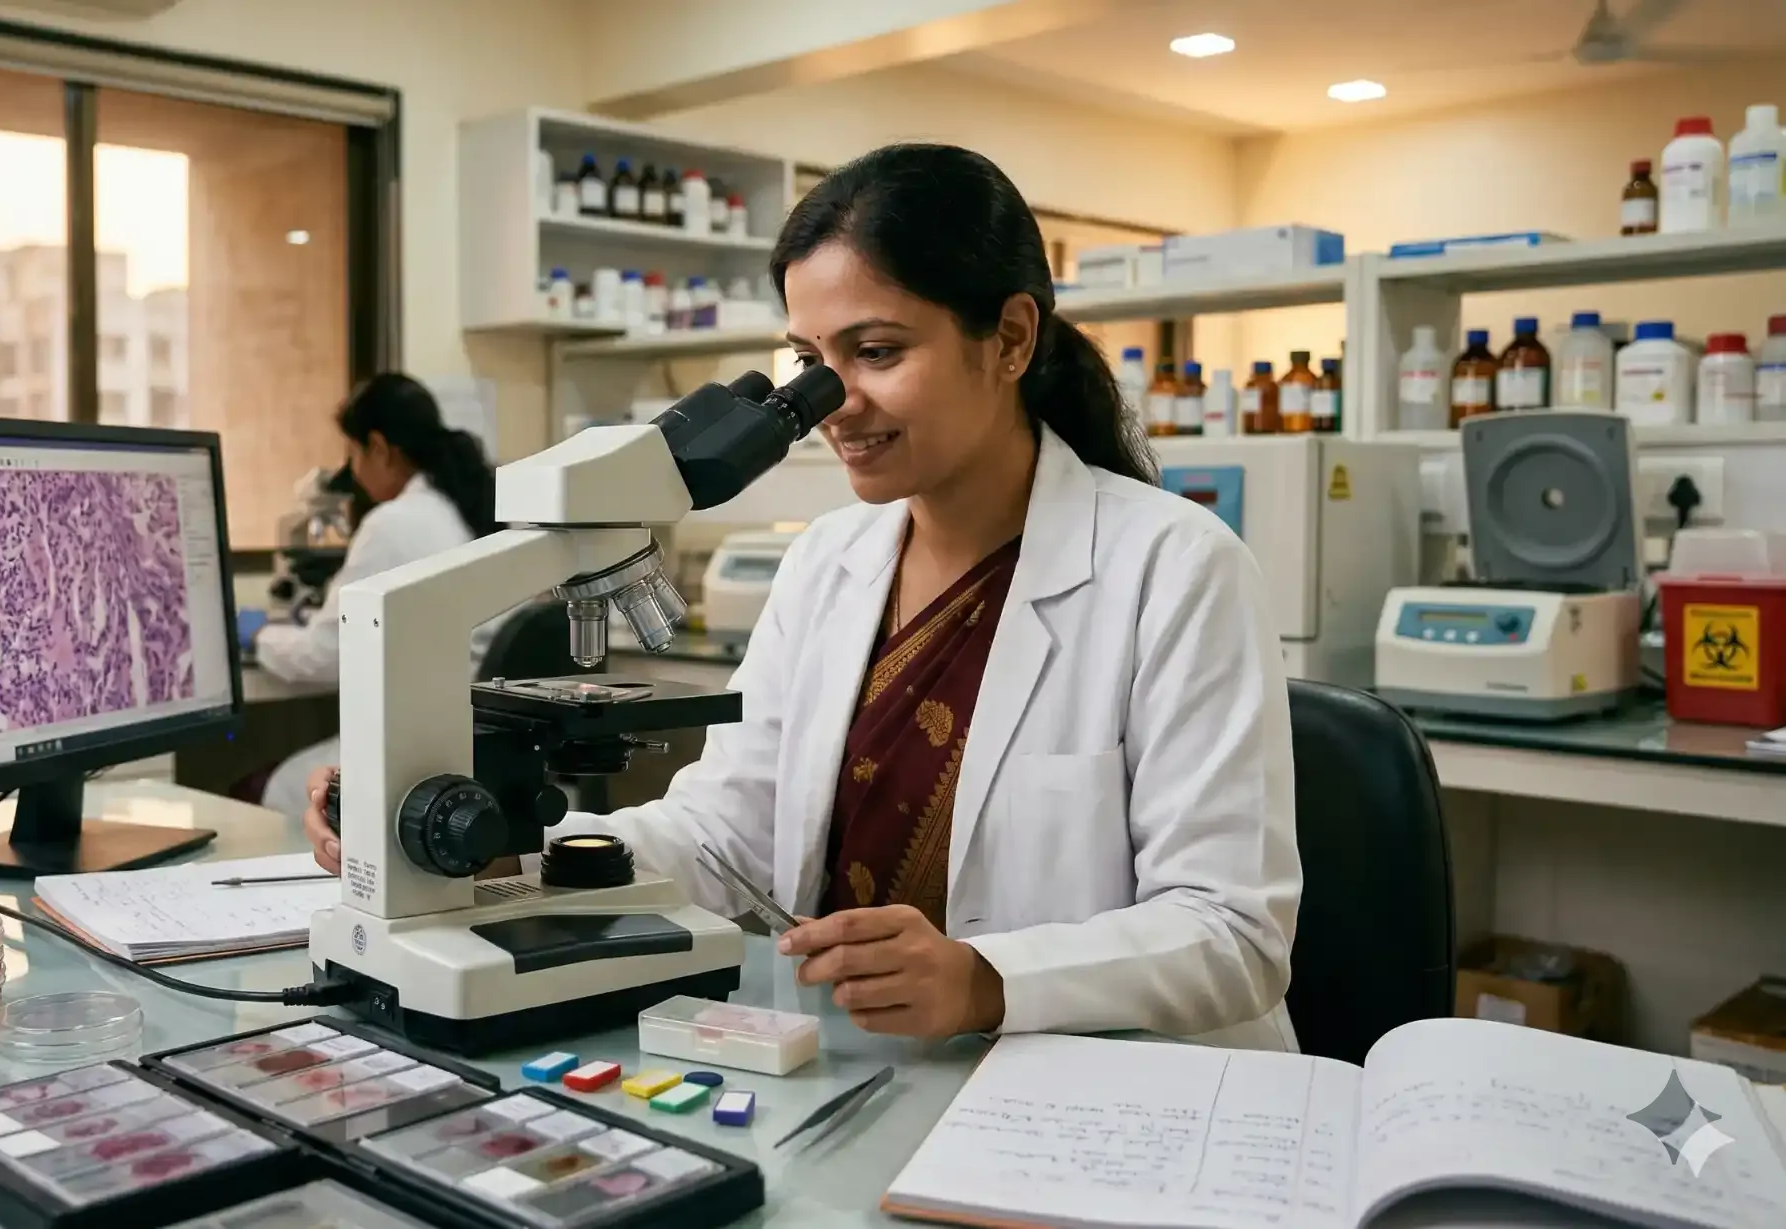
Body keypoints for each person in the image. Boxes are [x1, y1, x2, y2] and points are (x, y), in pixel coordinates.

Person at [302, 144, 1299, 1049]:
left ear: (1008, 337)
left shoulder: (1175, 568)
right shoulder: (828, 560)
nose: (835, 406)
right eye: (813, 363)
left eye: (876, 352)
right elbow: (723, 837)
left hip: (1101, 1090)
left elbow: (1232, 933)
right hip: (865, 1062)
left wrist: (986, 978)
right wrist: (484, 852)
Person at [255, 373, 496, 812]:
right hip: (471, 746)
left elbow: (324, 656)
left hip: (418, 755)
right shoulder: (468, 511)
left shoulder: (393, 524)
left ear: (379, 448)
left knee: (271, 787)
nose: (353, 470)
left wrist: (259, 636)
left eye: (354, 453)